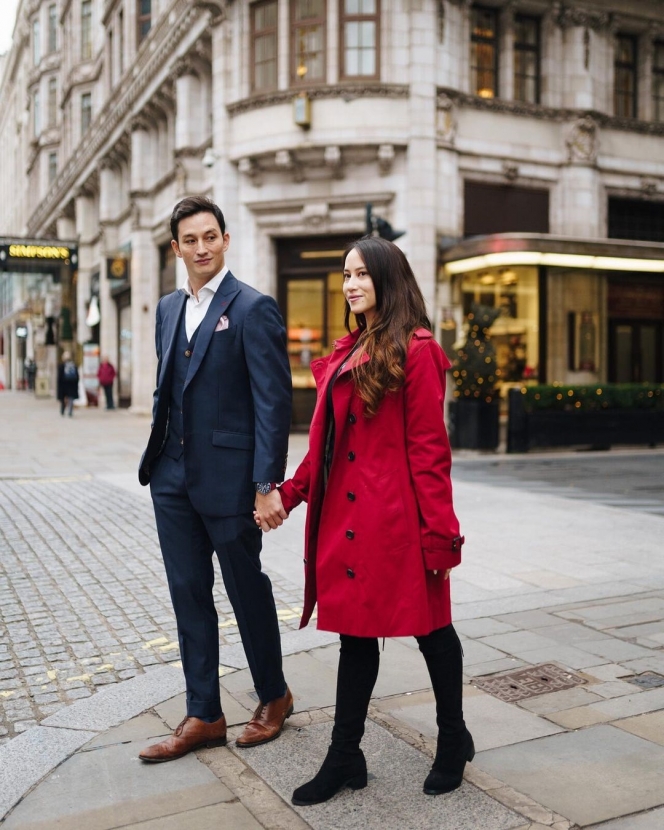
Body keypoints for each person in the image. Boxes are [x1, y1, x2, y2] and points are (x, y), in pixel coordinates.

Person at [255, 236, 472, 806]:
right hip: (347, 523)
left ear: (386, 280)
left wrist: (441, 540)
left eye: (361, 275)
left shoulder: (418, 350)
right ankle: (346, 755)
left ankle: (454, 739)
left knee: (431, 632)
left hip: (397, 524)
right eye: (346, 275)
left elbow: (430, 452)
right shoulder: (350, 348)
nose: (350, 285)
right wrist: (288, 495)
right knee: (355, 639)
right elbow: (323, 450)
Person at [137, 196, 293, 763]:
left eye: (211, 237)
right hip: (172, 478)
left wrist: (265, 482)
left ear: (226, 240)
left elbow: (273, 404)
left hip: (230, 481)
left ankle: (273, 695)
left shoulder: (254, 308)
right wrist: (158, 461)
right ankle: (204, 713)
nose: (201, 248)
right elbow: (168, 388)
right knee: (187, 595)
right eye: (190, 240)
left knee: (245, 587)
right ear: (175, 248)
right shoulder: (165, 309)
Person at [57, 351, 79, 416]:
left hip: (63, 384)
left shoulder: (62, 366)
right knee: (71, 397)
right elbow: (77, 376)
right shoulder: (74, 365)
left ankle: (63, 409)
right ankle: (70, 410)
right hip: (72, 384)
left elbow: (59, 377)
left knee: (63, 397)